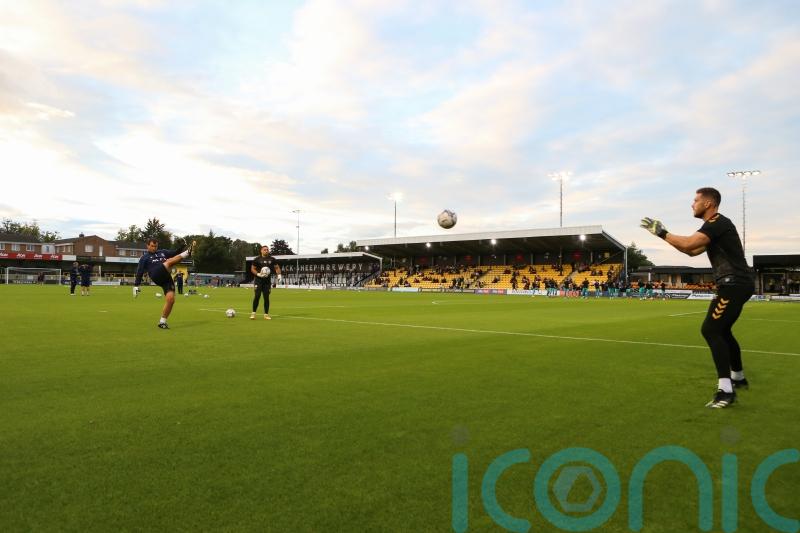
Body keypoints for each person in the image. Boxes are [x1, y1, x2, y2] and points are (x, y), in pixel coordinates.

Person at [641, 187, 755, 408]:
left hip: (734, 284)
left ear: (709, 203)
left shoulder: (718, 223)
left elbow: (689, 244)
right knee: (723, 330)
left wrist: (662, 232)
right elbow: (691, 252)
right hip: (737, 284)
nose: (692, 204)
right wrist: (664, 235)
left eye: (695, 200)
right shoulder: (714, 227)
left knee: (710, 330)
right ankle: (738, 378)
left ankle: (725, 390)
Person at [134, 238, 195, 329]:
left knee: (171, 300)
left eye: (156, 246)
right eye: (152, 246)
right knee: (168, 262)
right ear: (147, 246)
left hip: (166, 278)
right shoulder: (144, 257)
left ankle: (162, 322)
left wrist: (182, 246)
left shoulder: (162, 252)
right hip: (156, 274)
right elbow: (140, 271)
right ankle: (187, 253)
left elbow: (175, 253)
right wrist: (136, 285)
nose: (154, 248)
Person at [250, 244, 282, 320]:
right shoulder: (257, 259)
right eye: (265, 249)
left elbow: (277, 268)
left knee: (266, 298)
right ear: (261, 251)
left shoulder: (272, 259)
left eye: (267, 249)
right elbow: (252, 269)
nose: (266, 251)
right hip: (258, 281)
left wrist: (279, 275)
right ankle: (253, 313)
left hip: (267, 282)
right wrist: (258, 274)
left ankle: (266, 314)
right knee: (257, 296)